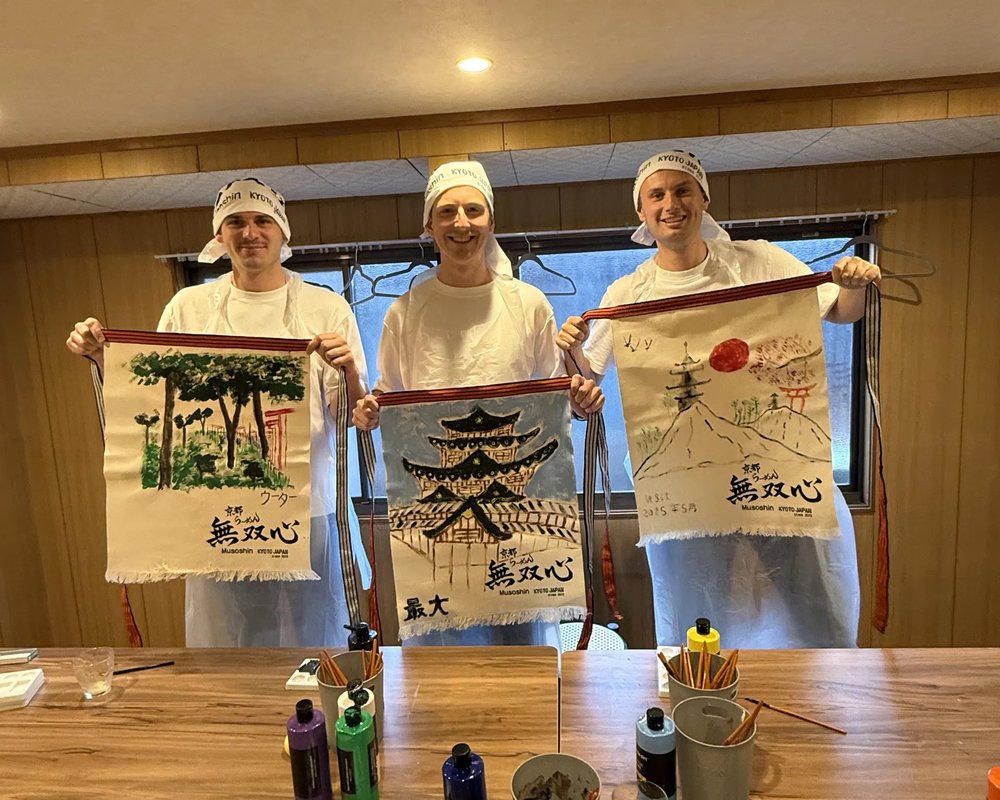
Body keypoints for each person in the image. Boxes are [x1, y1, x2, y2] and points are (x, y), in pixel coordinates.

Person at [557, 150, 881, 649]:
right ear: (641, 210)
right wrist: (573, 352)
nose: (671, 204)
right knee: (697, 617)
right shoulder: (628, 293)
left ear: (704, 199)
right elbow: (584, 392)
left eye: (682, 190)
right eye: (657, 194)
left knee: (812, 611)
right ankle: (698, 692)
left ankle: (824, 689)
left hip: (775, 472)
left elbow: (840, 310)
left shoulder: (760, 262)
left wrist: (855, 283)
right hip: (686, 486)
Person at [67, 177, 369, 647]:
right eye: (236, 222)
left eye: (263, 220)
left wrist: (348, 370)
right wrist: (104, 358)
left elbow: (350, 412)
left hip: (308, 505)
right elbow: (155, 394)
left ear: (283, 232)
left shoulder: (326, 308)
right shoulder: (188, 308)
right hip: (213, 510)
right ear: (219, 234)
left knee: (314, 639)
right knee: (227, 641)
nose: (250, 232)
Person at [353, 160, 603, 646]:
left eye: (473, 210)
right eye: (447, 212)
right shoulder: (405, 311)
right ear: (429, 226)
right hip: (435, 504)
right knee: (441, 657)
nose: (461, 223)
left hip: (518, 503)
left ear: (491, 221)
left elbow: (554, 396)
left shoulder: (528, 303)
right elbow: (389, 394)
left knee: (522, 654)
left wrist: (580, 397)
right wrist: (371, 410)